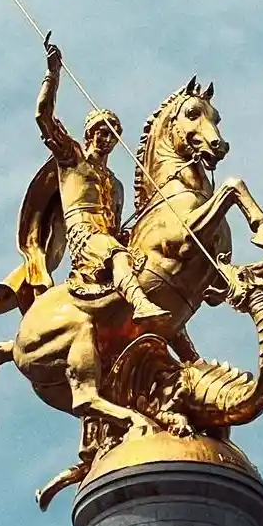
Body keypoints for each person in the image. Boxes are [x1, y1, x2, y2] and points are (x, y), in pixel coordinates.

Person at [34, 36, 166, 323]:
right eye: (102, 131)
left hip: (108, 238)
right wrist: (52, 74)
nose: (107, 138)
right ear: (90, 134)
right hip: (86, 239)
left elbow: (116, 226)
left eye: (113, 133)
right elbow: (43, 117)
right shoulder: (73, 159)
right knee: (116, 254)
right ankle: (140, 305)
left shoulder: (116, 186)